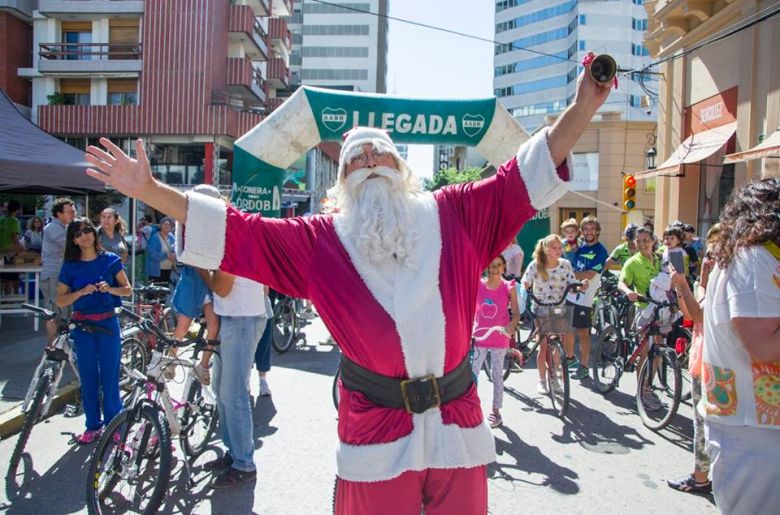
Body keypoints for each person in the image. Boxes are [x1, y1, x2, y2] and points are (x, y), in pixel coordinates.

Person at [84, 53, 610, 513]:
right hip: (374, 424)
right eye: (356, 158)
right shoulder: (321, 240)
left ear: (401, 168)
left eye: (380, 153)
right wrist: (150, 190)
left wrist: (585, 103)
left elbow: (523, 175)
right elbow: (238, 233)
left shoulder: (453, 212)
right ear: (344, 182)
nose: (369, 161)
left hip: (457, 416)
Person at [700, 178, 780, 514]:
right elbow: (762, 343)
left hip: (755, 424)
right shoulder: (753, 257)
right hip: (755, 428)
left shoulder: (751, 255)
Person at [55, 217, 132, 443]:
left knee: (110, 375)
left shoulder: (110, 260)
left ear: (94, 233)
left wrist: (110, 289)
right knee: (88, 378)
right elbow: (60, 300)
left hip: (108, 324)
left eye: (87, 230)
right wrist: (79, 293)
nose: (84, 235)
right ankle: (92, 426)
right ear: (74, 241)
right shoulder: (70, 266)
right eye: (78, 233)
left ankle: (113, 425)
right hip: (82, 327)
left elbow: (127, 290)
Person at [198, 268, 268, 488]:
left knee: (233, 394)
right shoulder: (242, 240)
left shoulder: (237, 243)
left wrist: (198, 266)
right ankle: (234, 452)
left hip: (241, 320)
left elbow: (221, 287)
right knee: (223, 391)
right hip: (236, 318)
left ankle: (244, 464)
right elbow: (264, 288)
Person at [666, 224, 720, 495]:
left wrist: (684, 284)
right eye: (707, 252)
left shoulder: (725, 280)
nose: (709, 259)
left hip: (715, 360)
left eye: (715, 253)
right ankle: (702, 474)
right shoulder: (711, 278)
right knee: (702, 421)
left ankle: (702, 479)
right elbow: (689, 313)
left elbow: (699, 315)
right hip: (702, 355)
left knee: (706, 421)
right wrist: (682, 286)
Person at [522, 234, 585, 394]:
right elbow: (526, 281)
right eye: (555, 248)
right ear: (546, 249)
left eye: (560, 248)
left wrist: (580, 286)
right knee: (543, 345)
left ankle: (555, 377)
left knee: (558, 345)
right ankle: (542, 379)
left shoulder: (565, 264)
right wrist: (526, 287)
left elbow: (572, 284)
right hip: (541, 308)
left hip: (559, 307)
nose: (559, 251)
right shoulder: (536, 265)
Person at [471, 255, 520, 428]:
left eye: (498, 265)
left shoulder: (509, 287)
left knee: (496, 374)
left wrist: (511, 325)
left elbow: (516, 313)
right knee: (473, 373)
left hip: (500, 336)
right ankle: (471, 409)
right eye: (491, 265)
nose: (495, 269)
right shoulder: (477, 284)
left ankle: (495, 411)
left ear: (504, 267)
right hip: (481, 336)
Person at [618, 226, 663, 410]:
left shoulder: (660, 259)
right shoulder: (633, 262)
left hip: (662, 310)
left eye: (646, 240)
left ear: (653, 241)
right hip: (644, 310)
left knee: (658, 352)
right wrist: (629, 292)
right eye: (639, 241)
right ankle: (641, 393)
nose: (643, 244)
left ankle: (647, 387)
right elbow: (622, 282)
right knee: (646, 354)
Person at [567, 215, 608, 380]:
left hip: (585, 299)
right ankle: (571, 359)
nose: (589, 232)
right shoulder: (580, 248)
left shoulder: (601, 252)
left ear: (597, 231)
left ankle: (584, 366)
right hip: (571, 296)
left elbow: (589, 275)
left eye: (592, 229)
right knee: (567, 329)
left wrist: (565, 274)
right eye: (586, 229)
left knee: (583, 333)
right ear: (581, 232)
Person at [41, 198, 77, 341]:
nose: (74, 215)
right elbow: (70, 247)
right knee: (53, 312)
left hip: (61, 274)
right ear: (59, 214)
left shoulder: (64, 227)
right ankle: (53, 346)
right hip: (54, 275)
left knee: (64, 311)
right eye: (71, 212)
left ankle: (62, 345)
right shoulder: (53, 228)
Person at [0, 200, 24, 294]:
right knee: (10, 278)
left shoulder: (1, 219)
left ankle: (4, 299)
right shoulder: (15, 221)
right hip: (9, 252)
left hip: (1, 251)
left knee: (2, 278)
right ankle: (10, 298)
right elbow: (14, 237)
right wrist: (20, 248)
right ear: (18, 210)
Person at [254, 291, 274, 397]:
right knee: (246, 352)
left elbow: (265, 291)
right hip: (243, 312)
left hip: (263, 311)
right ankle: (246, 382)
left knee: (263, 347)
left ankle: (263, 380)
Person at [145, 216, 176, 284]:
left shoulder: (171, 238)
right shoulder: (155, 237)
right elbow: (152, 254)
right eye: (165, 224)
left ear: (171, 227)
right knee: (155, 292)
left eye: (169, 225)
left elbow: (175, 251)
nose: (166, 226)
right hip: (156, 271)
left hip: (168, 269)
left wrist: (174, 255)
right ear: (161, 225)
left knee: (165, 291)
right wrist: (166, 255)